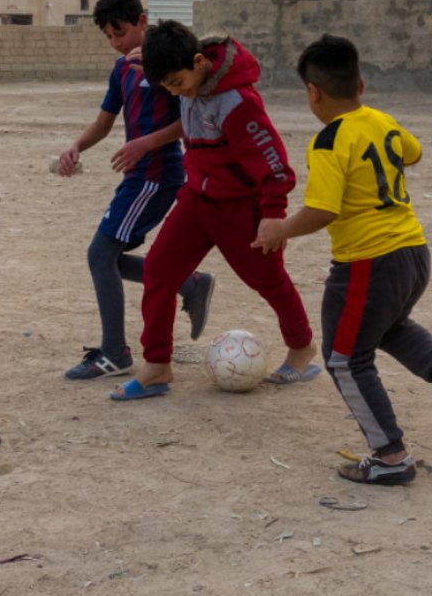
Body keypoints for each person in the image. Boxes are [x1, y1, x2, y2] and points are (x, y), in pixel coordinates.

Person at [253, 34, 432, 485]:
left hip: (367, 262)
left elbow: (323, 210)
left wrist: (280, 228)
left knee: (345, 359)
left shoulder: (328, 141)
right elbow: (413, 153)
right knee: (387, 327)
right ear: (361, 84)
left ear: (312, 93)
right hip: (413, 252)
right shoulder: (382, 121)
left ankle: (390, 456)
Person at [111, 20, 319, 400]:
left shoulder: (239, 103)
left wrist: (273, 215)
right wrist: (152, 53)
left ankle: (302, 347)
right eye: (168, 87)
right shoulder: (184, 72)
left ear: (198, 62)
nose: (177, 92)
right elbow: (172, 50)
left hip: (241, 208)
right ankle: (157, 365)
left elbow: (275, 166)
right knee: (158, 270)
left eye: (178, 83)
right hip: (197, 201)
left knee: (269, 280)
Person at [56, 0, 214, 380]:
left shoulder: (168, 63)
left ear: (142, 22)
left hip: (157, 176)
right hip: (138, 177)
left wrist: (145, 143)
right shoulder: (122, 69)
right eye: (108, 36)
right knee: (107, 257)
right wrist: (76, 146)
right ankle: (189, 284)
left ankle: (115, 352)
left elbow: (189, 120)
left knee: (100, 255)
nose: (115, 42)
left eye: (121, 33)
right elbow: (104, 122)